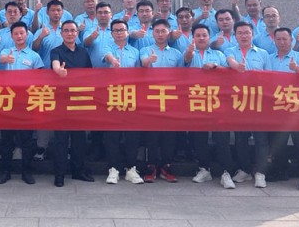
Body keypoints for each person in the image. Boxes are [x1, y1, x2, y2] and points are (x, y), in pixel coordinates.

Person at [184, 24, 237, 189]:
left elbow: (229, 74)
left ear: (209, 37)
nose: (201, 38)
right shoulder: (189, 53)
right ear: (193, 38)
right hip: (197, 100)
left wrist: (215, 66)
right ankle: (204, 168)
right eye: (198, 35)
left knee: (221, 138)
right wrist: (189, 53)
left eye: (204, 35)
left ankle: (226, 172)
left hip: (217, 101)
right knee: (199, 137)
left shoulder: (218, 54)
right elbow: (185, 62)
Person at [0, 21, 44, 184]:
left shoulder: (34, 56)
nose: (19, 36)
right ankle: (5, 171)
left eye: (22, 33)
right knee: (6, 139)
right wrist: (4, 59)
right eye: (15, 33)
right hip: (8, 101)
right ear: (11, 36)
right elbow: (0, 61)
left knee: (26, 140)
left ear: (27, 35)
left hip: (26, 103)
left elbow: (40, 78)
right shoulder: (5, 52)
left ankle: (26, 171)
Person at [225, 21, 272, 188]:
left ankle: (260, 172)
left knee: (261, 139)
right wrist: (236, 66)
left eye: (247, 33)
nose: (244, 36)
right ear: (235, 35)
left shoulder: (263, 54)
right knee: (241, 138)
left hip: (259, 102)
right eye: (240, 33)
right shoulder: (230, 51)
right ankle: (244, 169)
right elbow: (229, 61)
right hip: (239, 102)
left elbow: (270, 77)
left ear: (252, 34)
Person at [267, 27, 299, 191]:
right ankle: (281, 171)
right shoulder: (269, 58)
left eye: (285, 39)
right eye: (278, 39)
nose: (282, 42)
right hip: (276, 105)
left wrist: (296, 69)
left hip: (296, 106)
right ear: (274, 40)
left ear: (291, 40)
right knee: (277, 142)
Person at [50, 20, 94, 187]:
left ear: (77, 33)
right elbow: (55, 65)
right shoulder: (56, 51)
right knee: (61, 139)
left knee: (79, 139)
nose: (70, 33)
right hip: (61, 100)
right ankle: (59, 174)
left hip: (80, 101)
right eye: (66, 30)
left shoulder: (83, 52)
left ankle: (78, 171)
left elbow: (90, 75)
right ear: (61, 33)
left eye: (73, 31)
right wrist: (59, 71)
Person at [139, 19, 183, 183]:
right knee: (151, 134)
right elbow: (143, 64)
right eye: (157, 31)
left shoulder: (176, 54)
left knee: (169, 135)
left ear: (168, 32)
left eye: (163, 31)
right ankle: (151, 167)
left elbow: (183, 76)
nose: (160, 34)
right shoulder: (145, 50)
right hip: (150, 98)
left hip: (170, 99)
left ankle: (166, 167)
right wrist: (149, 61)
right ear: (152, 33)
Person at [102, 19, 144, 184]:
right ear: (111, 34)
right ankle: (113, 169)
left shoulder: (135, 51)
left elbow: (140, 73)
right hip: (112, 95)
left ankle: (131, 168)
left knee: (132, 134)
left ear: (127, 33)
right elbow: (107, 57)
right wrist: (113, 61)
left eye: (122, 30)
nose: (119, 33)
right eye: (116, 30)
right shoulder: (106, 47)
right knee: (112, 134)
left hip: (130, 96)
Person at [32, 0, 65, 68]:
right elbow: (34, 49)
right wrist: (40, 37)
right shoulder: (41, 31)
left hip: (65, 68)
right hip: (46, 69)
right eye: (53, 10)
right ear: (47, 12)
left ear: (62, 12)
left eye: (58, 10)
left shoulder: (68, 30)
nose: (56, 13)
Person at [83, 2, 114, 68]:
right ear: (96, 15)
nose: (103, 15)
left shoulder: (117, 30)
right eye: (100, 13)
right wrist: (92, 37)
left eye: (106, 12)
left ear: (111, 15)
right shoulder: (90, 30)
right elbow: (85, 44)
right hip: (94, 69)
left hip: (113, 69)